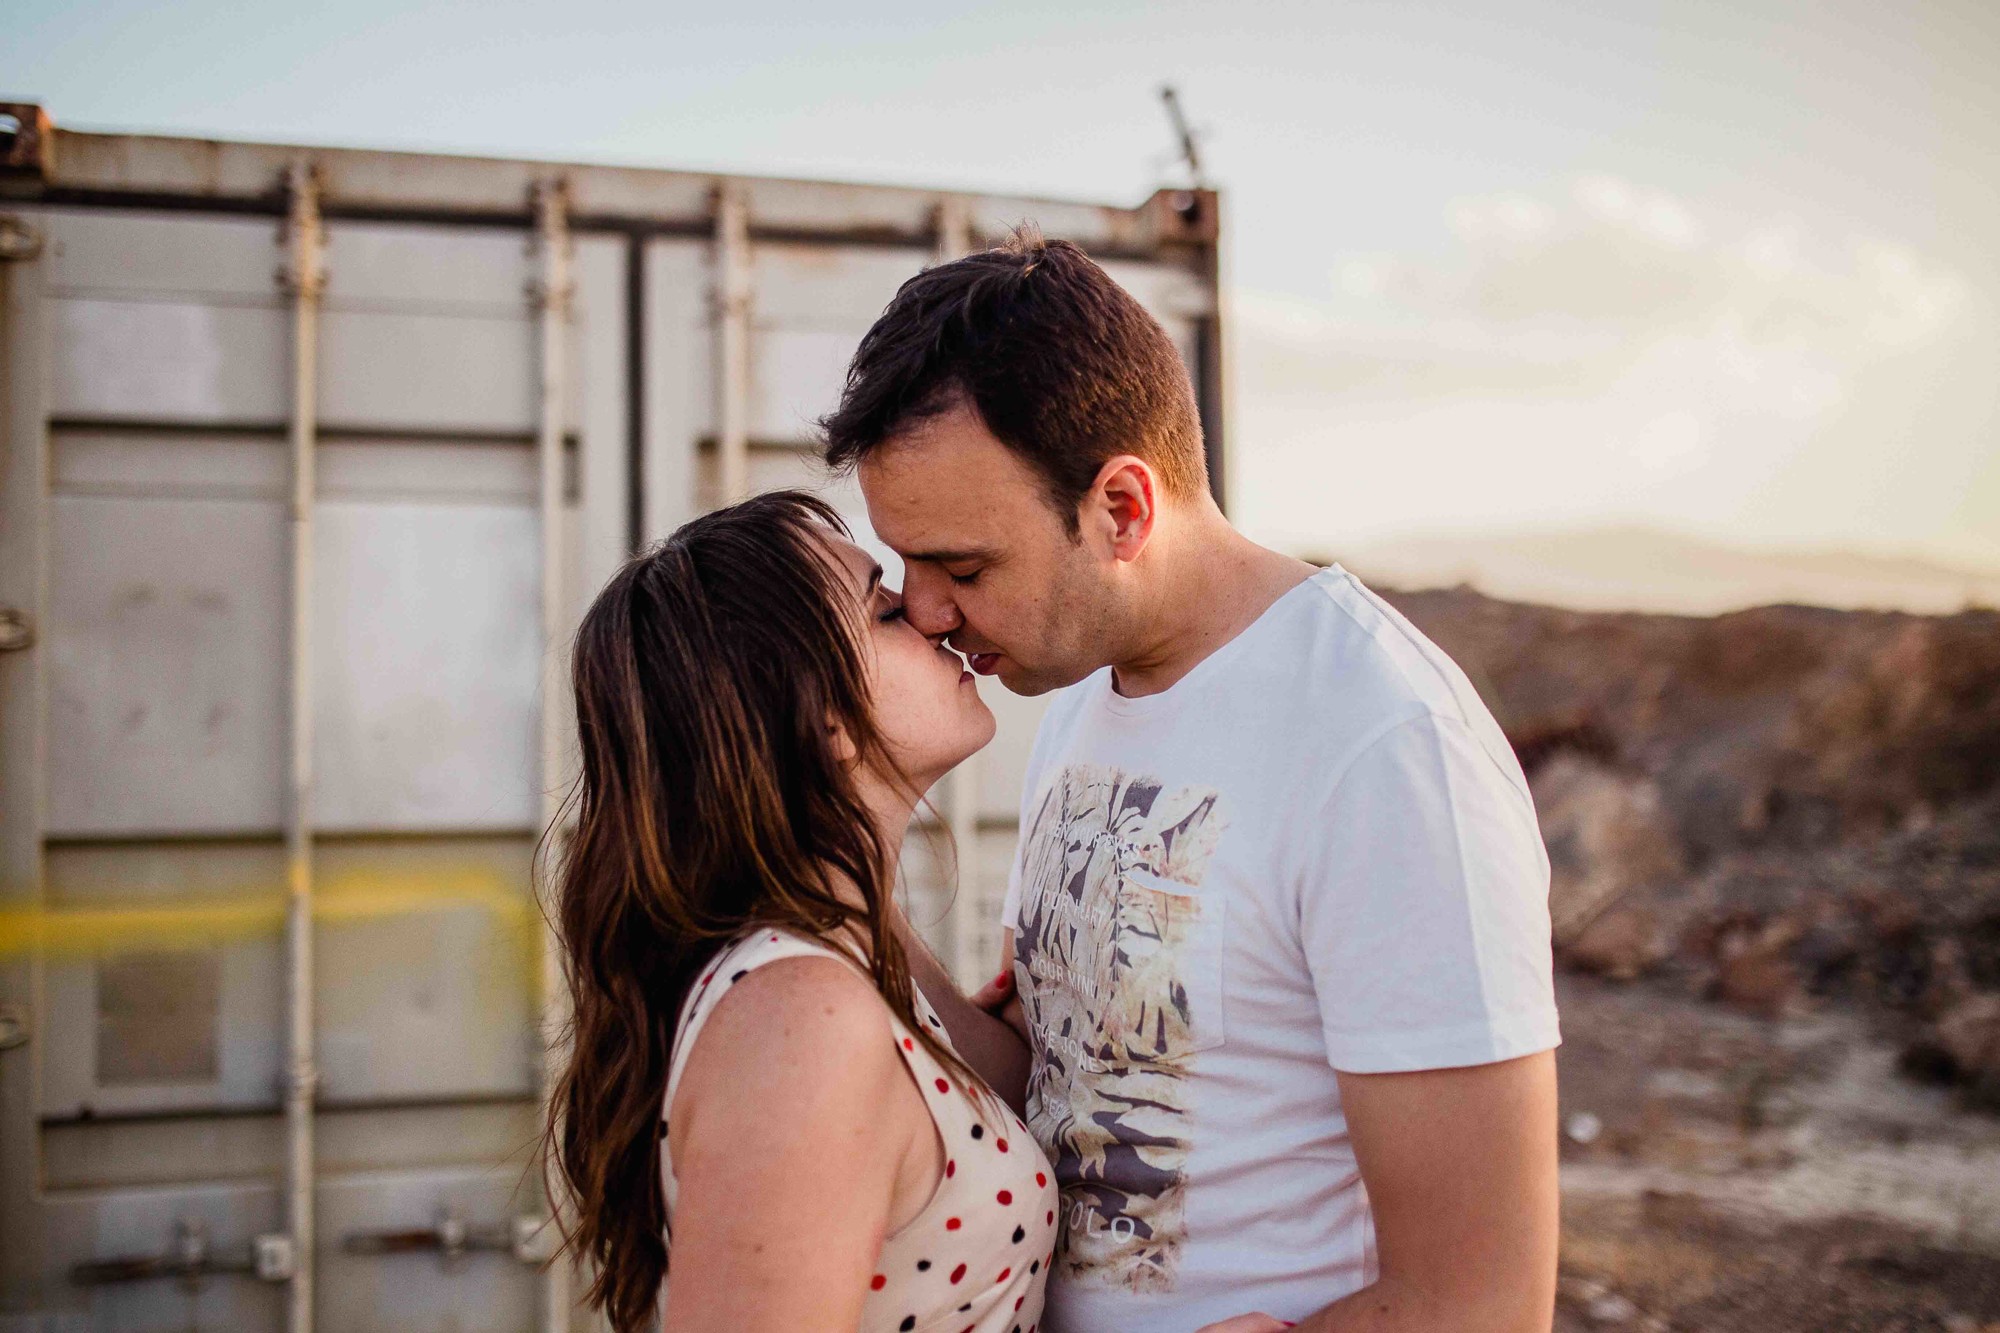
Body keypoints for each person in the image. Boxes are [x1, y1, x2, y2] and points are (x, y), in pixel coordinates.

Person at [822, 231, 1562, 1333]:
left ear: (1121, 509)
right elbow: (1061, 1082)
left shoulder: (1385, 746)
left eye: (965, 567)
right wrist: (850, 901)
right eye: (910, 565)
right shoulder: (1076, 692)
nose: (925, 610)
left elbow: (1480, 1306)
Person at [546, 491, 1058, 1333]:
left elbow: (1018, 1087)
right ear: (822, 719)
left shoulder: (847, 953)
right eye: (888, 610)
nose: (934, 616)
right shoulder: (803, 1019)